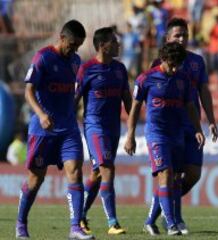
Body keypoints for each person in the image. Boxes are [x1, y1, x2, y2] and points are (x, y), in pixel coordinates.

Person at [15, 20, 94, 240]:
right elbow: (28, 91)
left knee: (75, 172)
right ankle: (21, 223)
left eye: (78, 45)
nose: (75, 49)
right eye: (72, 44)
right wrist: (41, 115)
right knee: (35, 179)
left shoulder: (76, 61)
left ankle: (75, 228)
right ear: (61, 37)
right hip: (43, 130)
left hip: (68, 128)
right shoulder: (43, 57)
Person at [144, 17, 218, 235]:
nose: (182, 38)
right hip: (169, 128)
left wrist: (211, 120)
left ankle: (156, 216)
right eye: (177, 35)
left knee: (193, 174)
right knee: (171, 176)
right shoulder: (158, 64)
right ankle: (173, 218)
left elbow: (203, 91)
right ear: (168, 38)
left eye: (185, 35)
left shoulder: (197, 62)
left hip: (192, 126)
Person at [124, 42, 205, 236]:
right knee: (166, 174)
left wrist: (197, 129)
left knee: (175, 179)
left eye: (178, 64)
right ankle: (171, 224)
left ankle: (150, 221)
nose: (175, 68)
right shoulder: (146, 78)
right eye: (172, 64)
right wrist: (130, 135)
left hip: (177, 133)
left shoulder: (183, 80)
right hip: (156, 134)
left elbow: (191, 106)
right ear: (163, 59)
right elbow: (135, 108)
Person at [75, 27, 132, 235]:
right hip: (94, 125)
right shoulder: (87, 69)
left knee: (98, 173)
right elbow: (75, 98)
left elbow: (127, 100)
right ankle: (112, 223)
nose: (118, 44)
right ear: (102, 46)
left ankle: (79, 215)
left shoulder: (120, 69)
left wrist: (132, 129)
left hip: (113, 127)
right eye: (114, 41)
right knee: (107, 169)